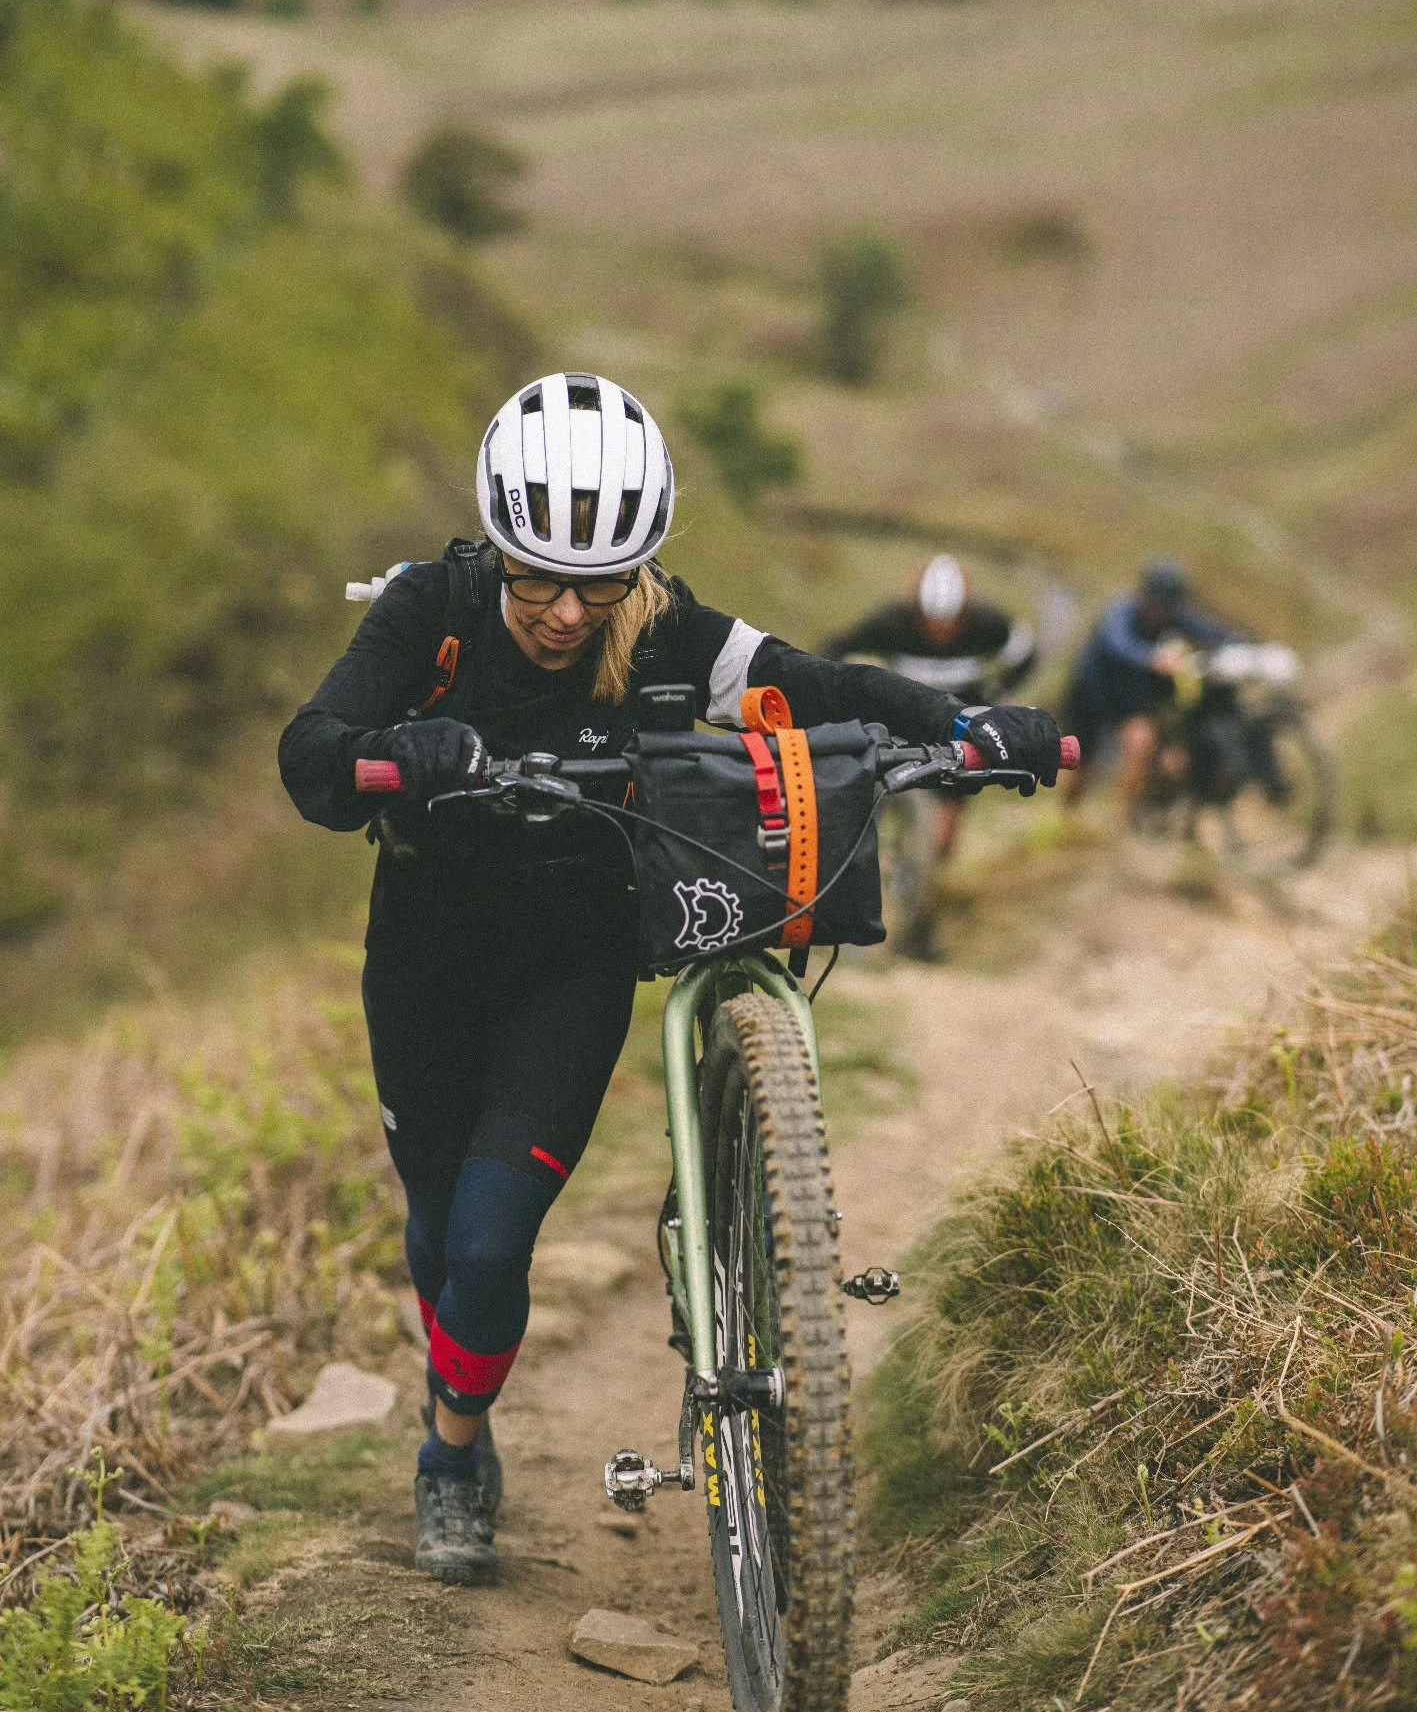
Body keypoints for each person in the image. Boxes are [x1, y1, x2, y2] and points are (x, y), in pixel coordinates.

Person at [278, 373, 1062, 1587]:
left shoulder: (662, 633)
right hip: (426, 961)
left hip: (575, 963)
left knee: (489, 1249)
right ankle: (467, 1427)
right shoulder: (428, 612)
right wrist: (401, 748)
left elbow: (821, 688)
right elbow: (314, 756)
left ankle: (448, 1458)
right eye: (536, 578)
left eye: (598, 583)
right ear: (498, 548)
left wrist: (967, 726)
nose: (563, 611)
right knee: (437, 1241)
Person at [821, 555, 1038, 959]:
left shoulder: (988, 625)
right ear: (917, 610)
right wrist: (851, 689)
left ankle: (920, 915)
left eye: (950, 623)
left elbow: (1026, 648)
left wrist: (996, 692)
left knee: (942, 839)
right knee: (869, 817)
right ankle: (853, 916)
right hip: (900, 738)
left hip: (961, 743)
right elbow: (834, 649)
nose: (940, 632)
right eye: (930, 622)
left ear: (966, 612)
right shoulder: (892, 624)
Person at [1062, 558, 1234, 826]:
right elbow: (1117, 643)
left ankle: (1122, 821)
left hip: (1133, 697)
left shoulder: (1175, 614)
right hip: (1093, 695)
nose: (1162, 612)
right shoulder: (1119, 612)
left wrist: (1245, 646)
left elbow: (1213, 632)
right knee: (1080, 762)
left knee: (1142, 744)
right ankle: (1067, 819)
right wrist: (1151, 658)